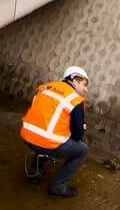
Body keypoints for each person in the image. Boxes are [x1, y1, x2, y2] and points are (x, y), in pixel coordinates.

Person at [21, 66, 89, 198]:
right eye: (84, 84)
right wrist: (79, 128)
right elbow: (77, 134)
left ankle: (36, 174)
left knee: (46, 137)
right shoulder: (75, 99)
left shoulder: (45, 88)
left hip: (27, 136)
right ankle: (59, 187)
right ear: (74, 80)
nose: (85, 89)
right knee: (82, 150)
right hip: (47, 142)